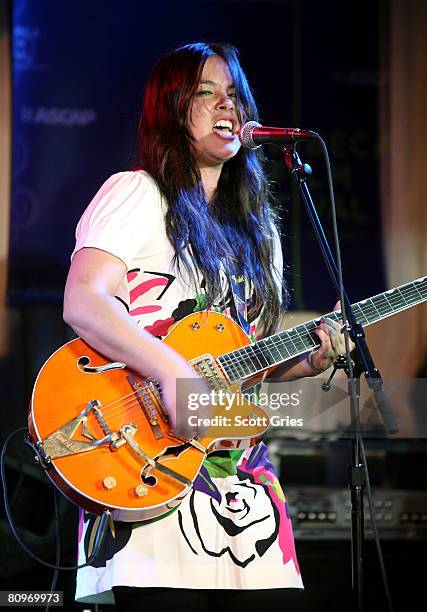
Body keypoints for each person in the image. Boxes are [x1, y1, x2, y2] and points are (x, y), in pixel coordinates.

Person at [64, 41, 350, 611]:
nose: (229, 106)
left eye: (235, 95)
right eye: (206, 93)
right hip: (147, 465)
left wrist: (309, 358)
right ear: (171, 109)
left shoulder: (258, 232)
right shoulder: (136, 194)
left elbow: (248, 362)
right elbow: (84, 303)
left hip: (243, 482)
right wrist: (172, 370)